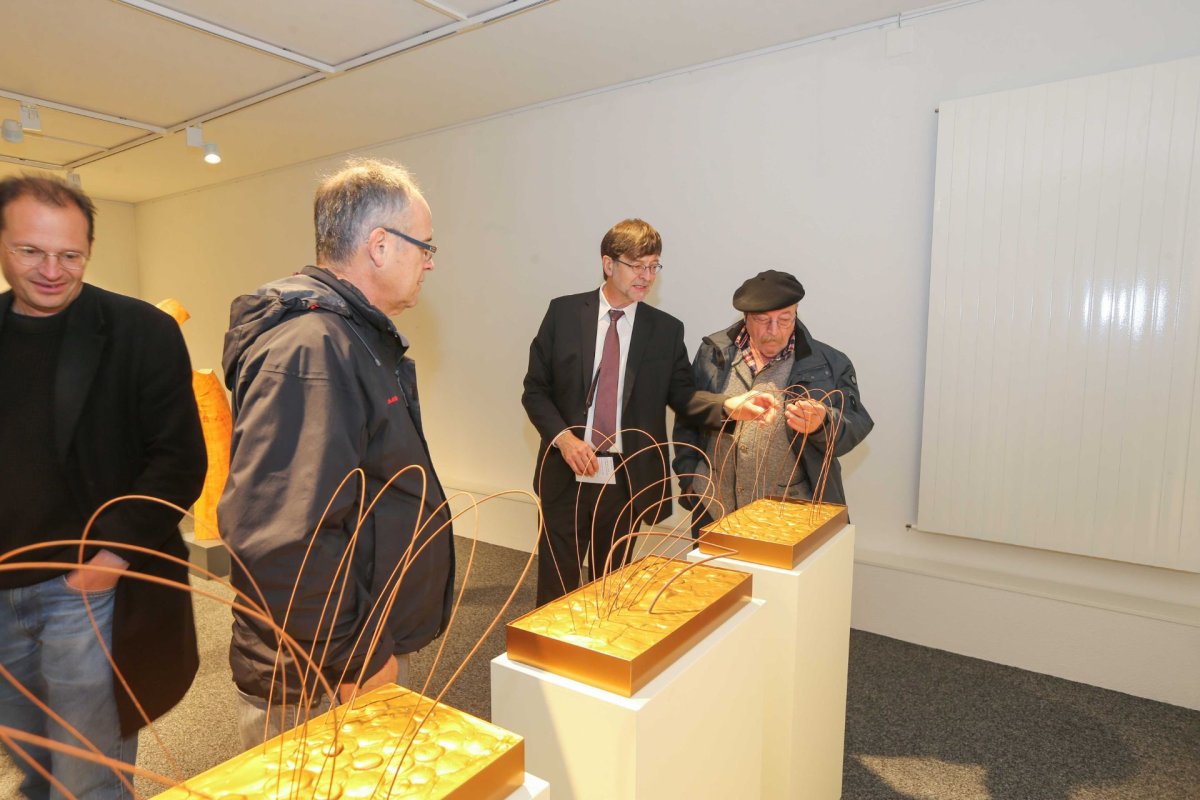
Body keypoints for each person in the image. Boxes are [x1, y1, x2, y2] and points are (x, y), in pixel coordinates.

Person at [218, 158, 454, 748]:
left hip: (344, 643)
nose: (430, 262)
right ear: (380, 245)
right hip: (319, 672)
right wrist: (359, 657)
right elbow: (284, 536)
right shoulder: (313, 348)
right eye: (424, 246)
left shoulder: (348, 337)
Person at [0, 175, 207, 799]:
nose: (51, 271)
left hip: (85, 592)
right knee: (36, 766)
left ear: (90, 249)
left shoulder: (141, 331)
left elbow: (178, 461)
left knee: (89, 780)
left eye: (70, 254)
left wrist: (106, 565)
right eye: (31, 251)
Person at [522, 219, 776, 605]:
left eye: (653, 266)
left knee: (611, 584)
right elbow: (536, 391)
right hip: (566, 467)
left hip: (626, 475)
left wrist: (728, 406)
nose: (647, 276)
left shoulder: (665, 330)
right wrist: (565, 440)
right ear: (609, 264)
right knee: (558, 579)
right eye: (637, 265)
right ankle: (548, 643)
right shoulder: (564, 313)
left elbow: (684, 397)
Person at [674, 269, 873, 531]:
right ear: (746, 319)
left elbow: (856, 424)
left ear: (796, 314)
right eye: (763, 320)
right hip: (713, 508)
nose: (774, 330)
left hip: (790, 515)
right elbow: (689, 412)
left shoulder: (828, 363)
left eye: (785, 319)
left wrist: (823, 423)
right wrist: (690, 479)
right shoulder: (713, 353)